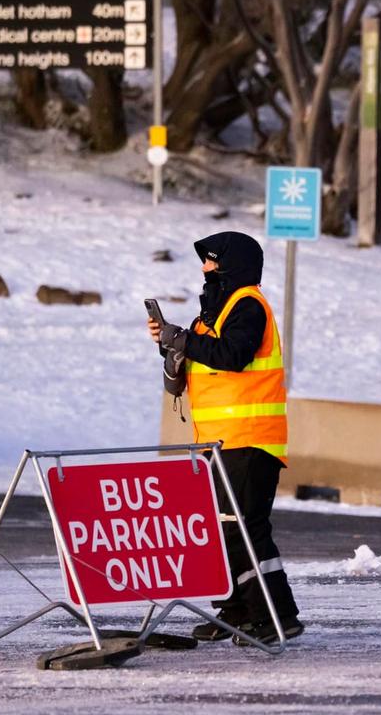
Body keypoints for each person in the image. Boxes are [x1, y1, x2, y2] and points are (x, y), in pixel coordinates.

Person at [149, 230, 303, 645]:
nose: (204, 268)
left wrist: (183, 339)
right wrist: (171, 346)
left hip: (250, 440)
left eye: (211, 261)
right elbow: (192, 370)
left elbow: (233, 356)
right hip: (218, 442)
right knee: (222, 531)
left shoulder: (247, 305)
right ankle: (237, 610)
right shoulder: (211, 315)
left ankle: (276, 616)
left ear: (230, 265)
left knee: (246, 528)